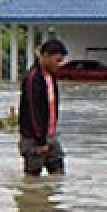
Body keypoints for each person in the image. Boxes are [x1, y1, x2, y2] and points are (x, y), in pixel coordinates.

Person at [18, 39, 68, 177]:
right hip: (34, 139)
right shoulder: (32, 78)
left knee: (58, 175)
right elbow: (33, 111)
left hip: (50, 136)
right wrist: (40, 142)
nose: (59, 64)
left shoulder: (51, 77)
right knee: (32, 179)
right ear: (45, 56)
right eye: (57, 60)